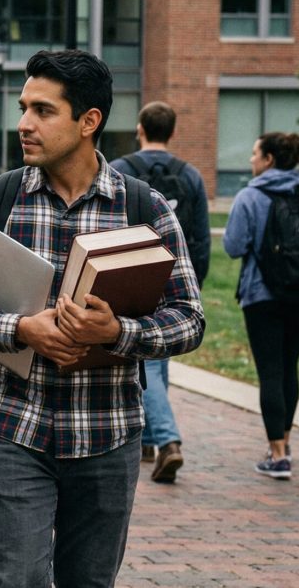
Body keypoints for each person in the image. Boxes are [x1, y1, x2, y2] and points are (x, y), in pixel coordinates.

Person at [0, 50, 204, 587]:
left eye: (43, 110)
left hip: (107, 435)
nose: (24, 124)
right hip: (11, 427)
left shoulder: (145, 209)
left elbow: (189, 319)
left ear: (88, 122)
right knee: (15, 579)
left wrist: (119, 333)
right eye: (23, 107)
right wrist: (19, 329)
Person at [110, 101, 211, 484]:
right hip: (174, 279)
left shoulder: (120, 170)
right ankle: (150, 439)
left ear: (140, 129)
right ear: (172, 132)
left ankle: (165, 440)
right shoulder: (192, 176)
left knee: (147, 361)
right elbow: (199, 238)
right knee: (158, 357)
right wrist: (192, 286)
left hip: (128, 277)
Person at [224, 131, 299, 480]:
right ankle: (285, 443)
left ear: (269, 159)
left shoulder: (250, 196)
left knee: (270, 372)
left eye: (255, 153)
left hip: (262, 296)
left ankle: (277, 456)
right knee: (289, 367)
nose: (250, 160)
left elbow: (233, 245)